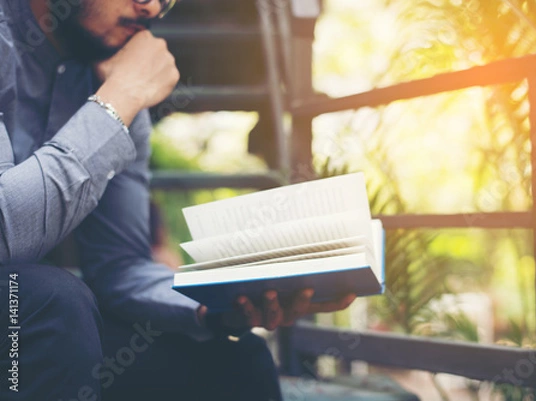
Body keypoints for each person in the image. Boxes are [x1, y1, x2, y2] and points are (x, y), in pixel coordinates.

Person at [0, 0, 356, 400]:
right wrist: (122, 97)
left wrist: (218, 304)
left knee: (236, 360)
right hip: (23, 320)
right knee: (49, 300)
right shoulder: (117, 88)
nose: (152, 7)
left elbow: (121, 267)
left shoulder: (105, 73)